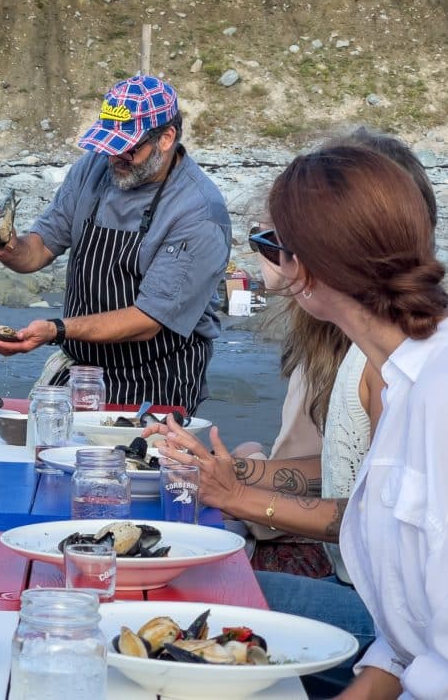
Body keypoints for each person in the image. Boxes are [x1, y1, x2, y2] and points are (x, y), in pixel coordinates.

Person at [154, 144, 448, 699]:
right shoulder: (399, 376)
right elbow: (404, 637)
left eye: (273, 246)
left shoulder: (435, 394)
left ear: (305, 267)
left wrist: (239, 495)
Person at [0, 75, 230, 415]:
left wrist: (58, 330)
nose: (114, 158)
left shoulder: (198, 211)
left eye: (127, 148)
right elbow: (39, 248)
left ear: (167, 138)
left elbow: (147, 320)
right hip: (83, 371)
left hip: (157, 380)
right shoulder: (94, 168)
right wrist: (7, 248)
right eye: (107, 144)